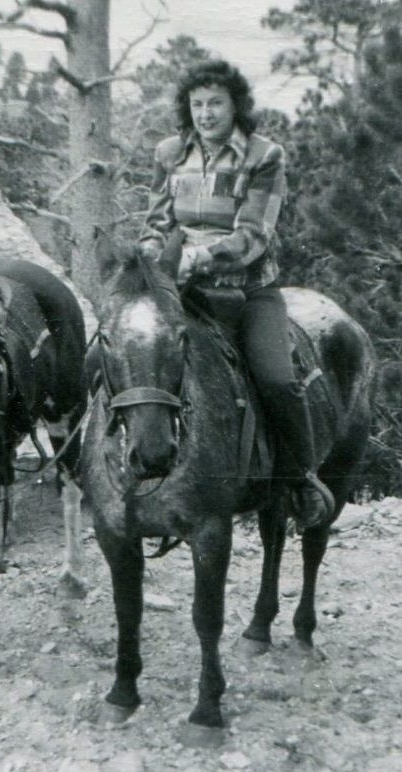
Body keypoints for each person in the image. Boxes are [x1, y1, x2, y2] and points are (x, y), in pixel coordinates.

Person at [139, 59, 334, 530]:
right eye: (197, 104)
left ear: (236, 106)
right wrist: (151, 258)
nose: (205, 114)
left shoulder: (263, 155)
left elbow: (255, 235)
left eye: (216, 104)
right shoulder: (169, 153)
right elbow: (155, 222)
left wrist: (197, 258)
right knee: (126, 354)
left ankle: (300, 481)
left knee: (276, 378)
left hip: (247, 291)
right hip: (179, 286)